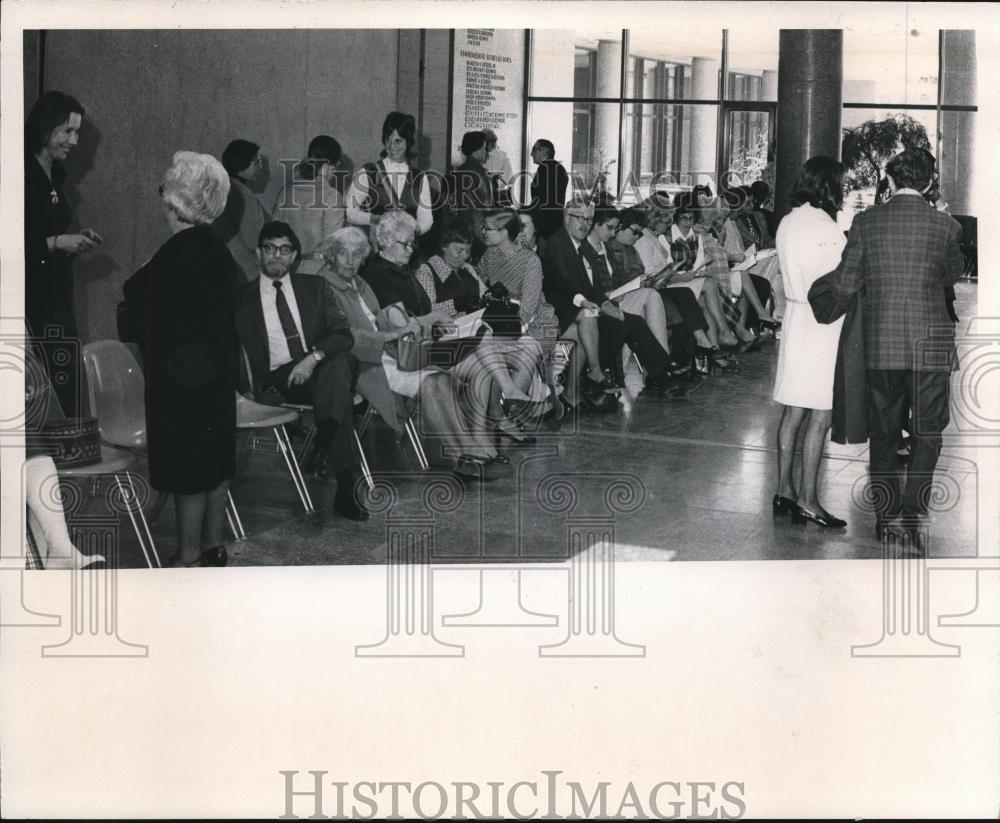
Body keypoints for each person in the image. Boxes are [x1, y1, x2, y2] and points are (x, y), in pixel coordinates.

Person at [814, 147, 965, 537]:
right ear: (929, 184)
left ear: (891, 181)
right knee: (928, 432)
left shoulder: (865, 223)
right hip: (931, 343)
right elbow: (951, 275)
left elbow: (846, 284)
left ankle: (885, 516)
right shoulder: (947, 227)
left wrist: (816, 297)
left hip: (881, 343)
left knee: (883, 433)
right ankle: (914, 513)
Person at [122, 151, 240, 566]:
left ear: (174, 201)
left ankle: (186, 554)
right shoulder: (221, 254)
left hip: (179, 379)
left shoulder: (170, 257)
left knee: (189, 469)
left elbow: (132, 317)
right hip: (219, 375)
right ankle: (213, 544)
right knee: (216, 464)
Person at [234, 221, 369, 521]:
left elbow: (342, 334)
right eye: (269, 248)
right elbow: (228, 347)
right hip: (280, 378)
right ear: (258, 253)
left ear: (293, 256)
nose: (276, 256)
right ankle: (344, 479)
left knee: (338, 365)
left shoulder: (314, 287)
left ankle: (337, 464)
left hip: (318, 370)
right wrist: (245, 388)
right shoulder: (242, 298)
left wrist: (311, 359)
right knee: (340, 387)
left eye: (283, 250)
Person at [360, 211, 510, 477]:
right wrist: (435, 317)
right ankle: (468, 449)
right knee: (476, 367)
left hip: (424, 344)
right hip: (401, 353)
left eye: (411, 243)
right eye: (404, 244)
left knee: (483, 365)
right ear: (384, 242)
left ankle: (478, 441)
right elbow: (399, 324)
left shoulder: (403, 272)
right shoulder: (377, 275)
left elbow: (421, 315)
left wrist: (442, 321)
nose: (410, 249)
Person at [771, 156, 850, 528]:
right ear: (828, 186)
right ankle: (808, 500)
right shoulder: (826, 227)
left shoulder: (787, 221)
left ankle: (784, 489)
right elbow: (841, 279)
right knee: (821, 415)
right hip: (824, 325)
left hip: (796, 317)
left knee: (792, 410)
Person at [541, 195, 681, 405]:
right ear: (566, 217)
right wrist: (602, 304)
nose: (585, 224)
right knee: (623, 324)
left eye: (588, 219)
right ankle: (595, 377)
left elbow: (590, 287)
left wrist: (604, 303)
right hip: (566, 311)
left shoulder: (576, 244)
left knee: (627, 322)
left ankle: (657, 374)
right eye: (581, 218)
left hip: (585, 306)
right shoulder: (559, 244)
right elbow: (566, 287)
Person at [24, 91, 102, 418]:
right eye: (67, 131)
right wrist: (56, 243)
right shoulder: (20, 175)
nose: (74, 140)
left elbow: (46, 237)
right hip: (31, 304)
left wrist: (74, 242)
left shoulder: (55, 176)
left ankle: (67, 461)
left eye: (78, 132)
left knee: (64, 381)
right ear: (45, 129)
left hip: (56, 298)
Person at [345, 111, 433, 242]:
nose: (392, 147)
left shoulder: (420, 177)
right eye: (388, 140)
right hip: (377, 251)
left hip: (407, 251)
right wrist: (374, 219)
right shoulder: (368, 172)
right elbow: (349, 212)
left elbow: (426, 218)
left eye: (398, 141)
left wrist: (413, 230)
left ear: (408, 142)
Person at [272, 134, 346, 274]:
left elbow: (273, 234)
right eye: (337, 165)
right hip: (316, 274)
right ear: (330, 165)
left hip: (284, 270)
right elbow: (331, 248)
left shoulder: (286, 192)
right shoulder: (332, 197)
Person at [212, 138, 272, 280]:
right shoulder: (242, 194)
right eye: (256, 162)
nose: (261, 167)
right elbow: (253, 239)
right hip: (244, 272)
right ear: (241, 162)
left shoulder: (222, 189)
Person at [447, 131, 494, 257]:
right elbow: (487, 205)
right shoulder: (480, 172)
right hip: (479, 231)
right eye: (484, 148)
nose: (486, 152)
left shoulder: (458, 171)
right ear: (476, 150)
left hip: (459, 230)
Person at [528, 138, 569, 240]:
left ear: (544, 151)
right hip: (556, 223)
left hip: (545, 225)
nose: (531, 153)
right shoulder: (559, 168)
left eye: (534, 149)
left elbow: (540, 200)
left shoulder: (544, 168)